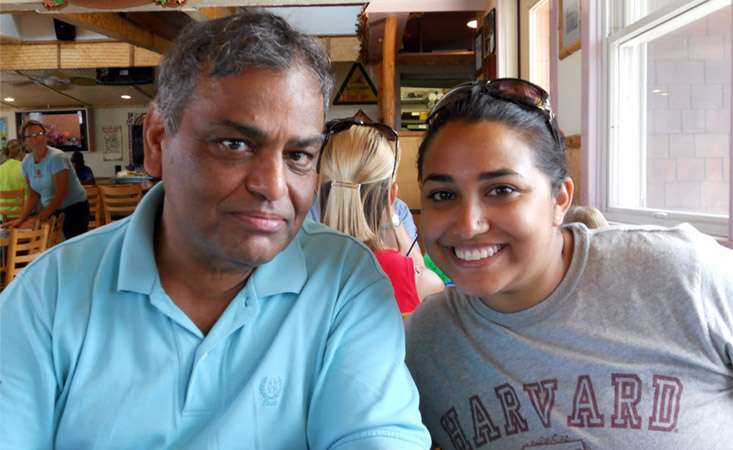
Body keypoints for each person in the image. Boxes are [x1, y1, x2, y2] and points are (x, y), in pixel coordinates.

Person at [0, 12, 430, 450]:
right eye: (235, 145)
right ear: (156, 141)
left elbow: (377, 437)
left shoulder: (343, 279)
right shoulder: (47, 297)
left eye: (299, 154)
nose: (273, 186)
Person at [404, 79, 733, 449]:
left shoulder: (682, 274)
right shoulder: (426, 340)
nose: (468, 223)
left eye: (501, 190)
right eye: (443, 195)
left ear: (560, 199)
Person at [319, 118, 444, 313]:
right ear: (392, 194)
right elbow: (417, 266)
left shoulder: (294, 265)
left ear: (320, 190)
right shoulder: (423, 283)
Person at [0, 120, 89, 238]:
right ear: (24, 141)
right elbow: (33, 194)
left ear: (46, 136)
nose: (37, 138)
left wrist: (39, 217)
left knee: (72, 249)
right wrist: (21, 219)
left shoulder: (57, 157)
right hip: (51, 210)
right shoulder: (26, 162)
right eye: (31, 136)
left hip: (74, 208)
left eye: (40, 134)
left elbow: (61, 193)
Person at [0, 139, 27, 220]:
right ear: (21, 151)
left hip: (3, 216)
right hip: (23, 215)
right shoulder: (25, 167)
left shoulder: (1, 168)